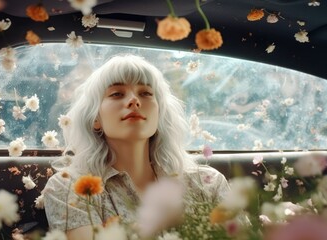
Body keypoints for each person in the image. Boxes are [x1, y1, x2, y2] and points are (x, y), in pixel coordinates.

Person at [43, 55, 229, 239]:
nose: (134, 100)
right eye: (117, 93)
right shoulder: (70, 188)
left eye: (146, 93)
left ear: (159, 113)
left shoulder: (208, 183)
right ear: (95, 119)